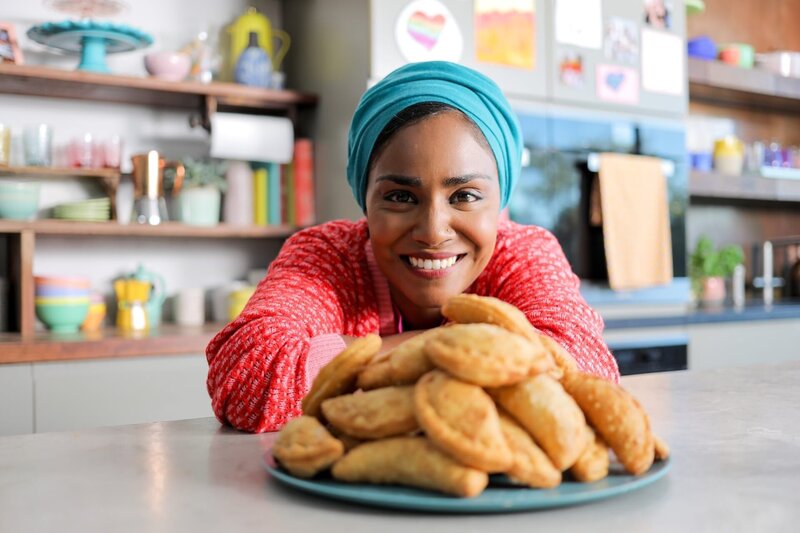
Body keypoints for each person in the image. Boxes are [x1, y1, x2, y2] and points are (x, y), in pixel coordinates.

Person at [206, 61, 619, 433]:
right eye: (401, 197)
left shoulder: (523, 255)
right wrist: (471, 349)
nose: (434, 231)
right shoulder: (327, 256)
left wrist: (348, 364)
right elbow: (248, 377)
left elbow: (585, 374)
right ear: (363, 197)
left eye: (466, 196)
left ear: (502, 201)